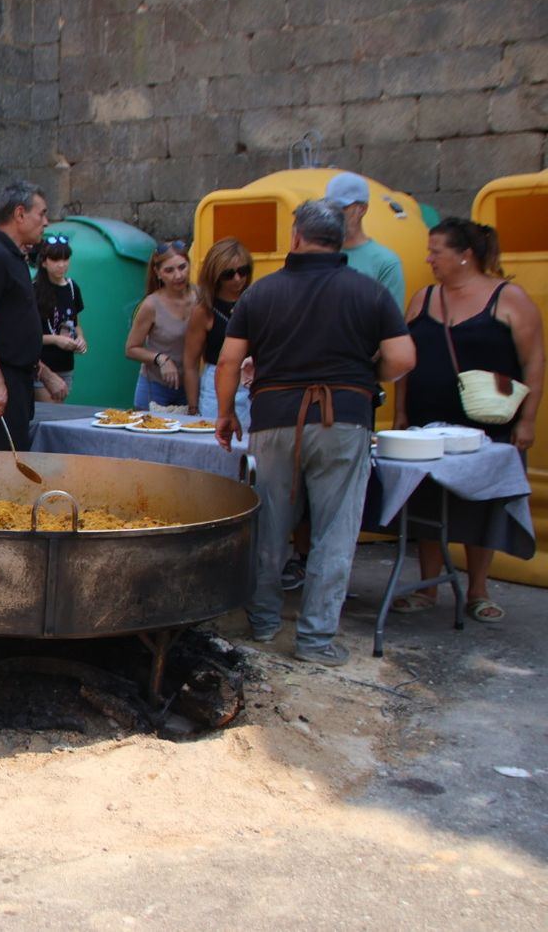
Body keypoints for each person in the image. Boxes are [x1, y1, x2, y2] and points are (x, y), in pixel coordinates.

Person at [215, 200, 415, 666]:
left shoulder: (261, 294)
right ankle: (315, 640)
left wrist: (226, 413)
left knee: (270, 527)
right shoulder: (368, 291)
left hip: (274, 418)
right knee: (334, 532)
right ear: (338, 240)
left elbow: (228, 360)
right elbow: (403, 359)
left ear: (296, 237)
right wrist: (363, 374)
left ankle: (264, 623)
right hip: (344, 418)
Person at [392, 218, 544, 624]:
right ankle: (426, 586)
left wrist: (527, 421)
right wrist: (402, 412)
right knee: (423, 499)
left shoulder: (509, 298)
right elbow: (406, 362)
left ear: (465, 255)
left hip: (487, 424)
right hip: (426, 421)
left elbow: (534, 361)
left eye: (436, 251)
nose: (429, 258)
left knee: (482, 503)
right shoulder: (423, 298)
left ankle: (477, 588)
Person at [0, 181, 71, 452]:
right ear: (20, 214)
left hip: (17, 379)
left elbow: (13, 329)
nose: (46, 222)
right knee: (0, 463)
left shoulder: (13, 257)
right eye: (41, 213)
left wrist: (43, 374)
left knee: (14, 456)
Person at [184, 237, 254, 425]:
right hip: (216, 384)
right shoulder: (203, 310)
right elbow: (190, 362)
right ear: (215, 275)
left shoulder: (254, 301)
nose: (238, 278)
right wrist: (192, 407)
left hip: (252, 383)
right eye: (228, 274)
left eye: (243, 271)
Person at [125, 239, 196, 408]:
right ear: (158, 272)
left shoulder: (199, 298)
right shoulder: (151, 305)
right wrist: (161, 359)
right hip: (156, 386)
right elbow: (131, 349)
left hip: (189, 384)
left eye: (182, 267)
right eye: (169, 270)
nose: (178, 276)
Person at [324, 171, 405, 305]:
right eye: (330, 207)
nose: (335, 213)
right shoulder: (319, 253)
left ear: (362, 209)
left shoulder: (385, 262)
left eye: (342, 207)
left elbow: (390, 322)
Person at [34, 234, 87, 402]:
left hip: (66, 365)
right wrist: (56, 340)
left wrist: (80, 339)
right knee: (49, 414)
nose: (62, 265)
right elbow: (27, 335)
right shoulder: (34, 290)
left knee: (59, 413)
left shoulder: (72, 288)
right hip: (42, 365)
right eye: (56, 260)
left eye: (65, 259)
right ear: (44, 262)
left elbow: (76, 323)